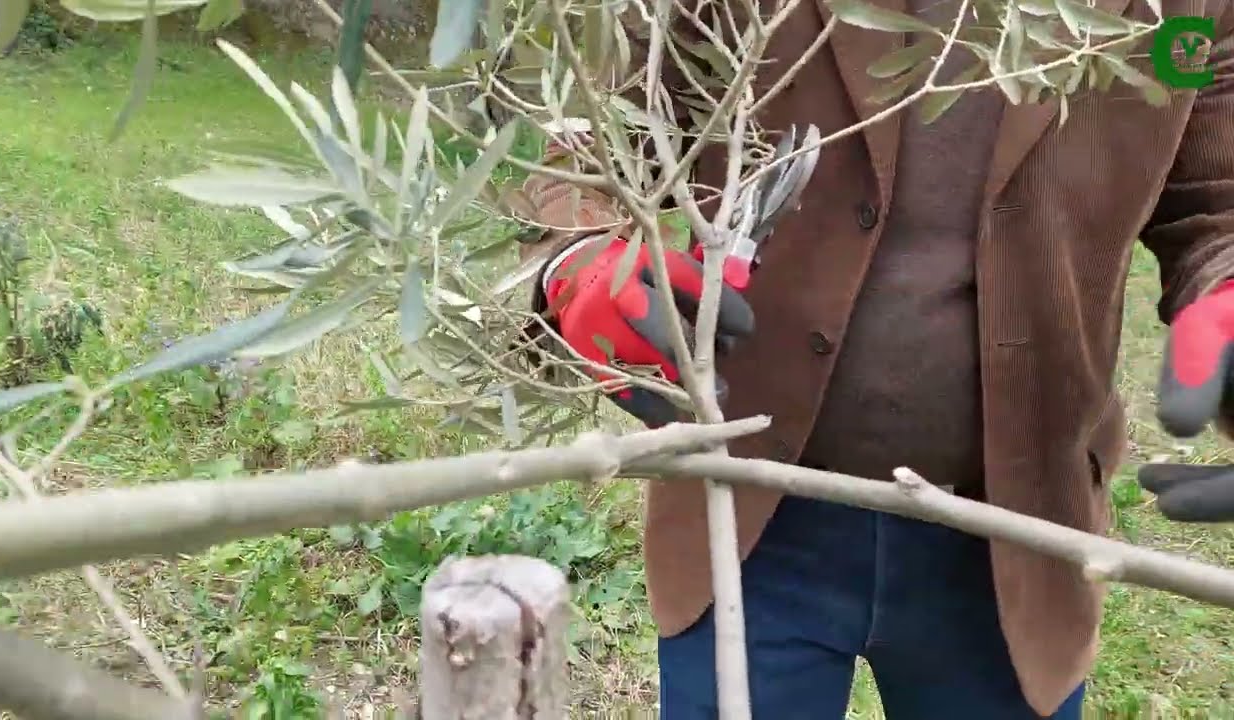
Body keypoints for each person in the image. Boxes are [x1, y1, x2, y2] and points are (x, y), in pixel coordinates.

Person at [507, 1, 1234, 717]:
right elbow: (592, 129)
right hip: (746, 511)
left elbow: (1218, 199)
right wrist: (580, 258)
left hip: (1022, 535)